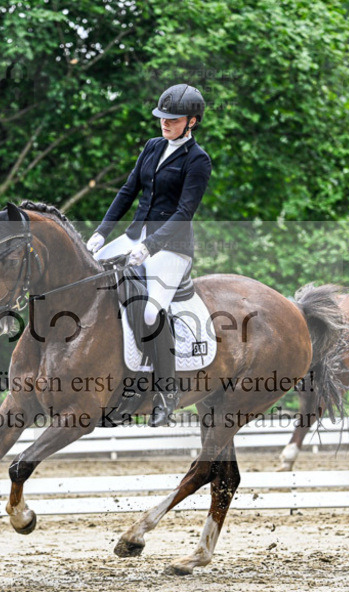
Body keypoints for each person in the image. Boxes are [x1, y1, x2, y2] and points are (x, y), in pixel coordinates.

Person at [86, 84, 212, 426]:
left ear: (192, 121)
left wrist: (150, 245)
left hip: (172, 248)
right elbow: (128, 191)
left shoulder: (198, 160)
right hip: (134, 237)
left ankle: (166, 390)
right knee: (91, 284)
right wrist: (101, 232)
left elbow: (184, 211)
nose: (164, 124)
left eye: (173, 119)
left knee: (151, 311)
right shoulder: (152, 147)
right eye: (162, 118)